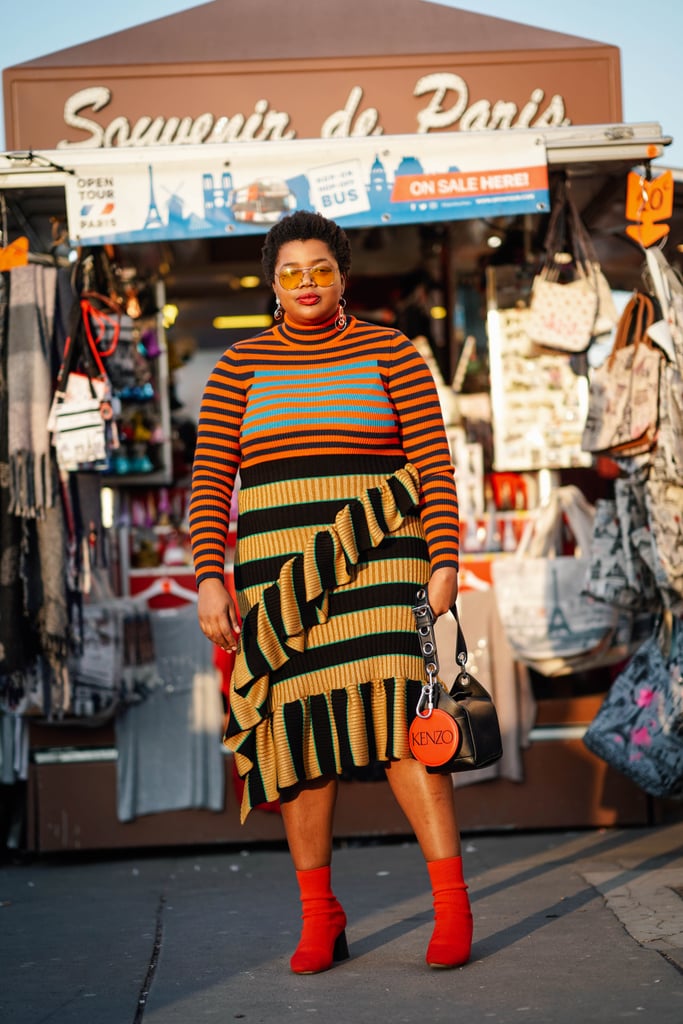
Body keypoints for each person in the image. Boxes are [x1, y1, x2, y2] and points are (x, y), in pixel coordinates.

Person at [189, 210, 472, 974]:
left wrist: (443, 560)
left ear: (342, 276)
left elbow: (434, 467)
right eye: (291, 271)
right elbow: (212, 482)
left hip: (381, 565)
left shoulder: (392, 352)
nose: (307, 283)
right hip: (280, 582)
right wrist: (210, 576)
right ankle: (322, 915)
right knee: (300, 744)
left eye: (321, 269)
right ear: (272, 282)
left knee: (401, 728)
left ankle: (451, 904)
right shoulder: (237, 367)